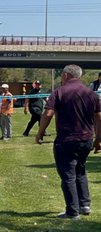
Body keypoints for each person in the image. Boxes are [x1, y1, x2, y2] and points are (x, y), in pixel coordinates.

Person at [36, 64, 101, 220]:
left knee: (68, 175)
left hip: (66, 140)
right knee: (80, 171)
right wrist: (98, 140)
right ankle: (85, 205)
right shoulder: (91, 94)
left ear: (66, 75)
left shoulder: (59, 92)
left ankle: (72, 212)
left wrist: (40, 132)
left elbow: (48, 114)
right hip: (86, 139)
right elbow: (99, 118)